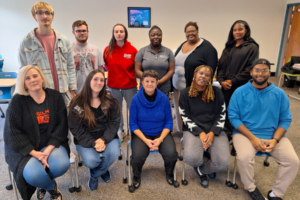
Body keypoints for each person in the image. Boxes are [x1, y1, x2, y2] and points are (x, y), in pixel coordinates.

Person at [228, 58, 299, 200]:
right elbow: (233, 117)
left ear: (270, 72)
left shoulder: (279, 94)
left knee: (292, 161)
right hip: (245, 134)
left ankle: (276, 193)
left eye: (265, 70)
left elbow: (285, 119)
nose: (261, 73)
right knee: (244, 157)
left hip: (272, 135)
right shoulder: (239, 92)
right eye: (257, 70)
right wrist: (253, 138)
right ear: (251, 72)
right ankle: (251, 188)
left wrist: (275, 140)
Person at [18, 2, 77, 163]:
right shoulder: (27, 42)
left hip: (63, 91)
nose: (45, 16)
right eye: (40, 13)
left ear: (52, 16)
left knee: (66, 123)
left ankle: (69, 150)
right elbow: (24, 70)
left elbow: (71, 66)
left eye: (48, 13)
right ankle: (44, 151)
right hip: (41, 93)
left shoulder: (63, 40)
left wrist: (72, 89)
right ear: (34, 16)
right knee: (45, 124)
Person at [4, 65, 70, 200]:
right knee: (34, 175)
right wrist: (36, 154)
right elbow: (12, 133)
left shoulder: (55, 96)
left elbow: (62, 125)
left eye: (35, 76)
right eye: (27, 78)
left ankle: (43, 183)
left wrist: (47, 151)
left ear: (41, 77)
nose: (33, 80)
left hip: (50, 143)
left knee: (61, 165)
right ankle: (51, 187)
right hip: (26, 148)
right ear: (23, 83)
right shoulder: (17, 101)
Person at [179, 65, 230, 188]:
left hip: (215, 129)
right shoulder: (185, 93)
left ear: (210, 78)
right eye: (201, 73)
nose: (203, 76)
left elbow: (222, 114)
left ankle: (203, 170)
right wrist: (200, 133)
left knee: (223, 163)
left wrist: (212, 133)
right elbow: (185, 117)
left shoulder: (217, 92)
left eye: (207, 75)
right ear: (195, 74)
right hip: (193, 130)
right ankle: (204, 159)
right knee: (191, 159)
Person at [69, 70, 120, 191]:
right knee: (92, 161)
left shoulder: (110, 100)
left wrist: (103, 139)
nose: (99, 82)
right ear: (88, 82)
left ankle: (95, 175)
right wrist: (93, 143)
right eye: (95, 79)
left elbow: (114, 123)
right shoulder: (77, 103)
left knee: (112, 155)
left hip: (107, 135)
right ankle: (102, 170)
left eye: (102, 80)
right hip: (86, 138)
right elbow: (75, 128)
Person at [129, 70, 178, 189]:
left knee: (172, 154)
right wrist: (146, 141)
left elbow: (168, 122)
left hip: (161, 133)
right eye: (147, 81)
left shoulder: (164, 99)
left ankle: (170, 174)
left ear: (157, 83)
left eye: (152, 81)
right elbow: (133, 124)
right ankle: (136, 175)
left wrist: (160, 139)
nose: (149, 84)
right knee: (137, 156)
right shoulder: (135, 100)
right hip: (141, 134)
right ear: (142, 82)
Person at [173, 21, 218, 133]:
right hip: (177, 88)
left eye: (193, 31)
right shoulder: (183, 44)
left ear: (197, 31)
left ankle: (192, 134)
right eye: (188, 32)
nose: (190, 34)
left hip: (193, 89)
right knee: (180, 111)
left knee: (191, 113)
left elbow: (210, 70)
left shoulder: (207, 48)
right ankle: (181, 132)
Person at [217, 20, 259, 133]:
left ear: (246, 30)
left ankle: (238, 138)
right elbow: (220, 66)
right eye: (234, 30)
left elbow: (250, 69)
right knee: (224, 110)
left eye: (240, 29)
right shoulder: (228, 47)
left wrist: (232, 81)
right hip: (225, 86)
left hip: (240, 86)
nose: (237, 32)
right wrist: (221, 81)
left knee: (239, 113)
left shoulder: (252, 47)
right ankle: (226, 134)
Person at [103, 23, 138, 141]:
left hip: (130, 86)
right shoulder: (108, 50)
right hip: (114, 86)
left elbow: (136, 67)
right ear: (113, 34)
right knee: (116, 110)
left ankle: (134, 130)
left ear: (125, 33)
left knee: (133, 109)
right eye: (116, 31)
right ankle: (120, 130)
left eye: (121, 31)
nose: (119, 34)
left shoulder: (132, 50)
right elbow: (106, 65)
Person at [135, 26, 175, 95]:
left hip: (163, 88)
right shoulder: (142, 51)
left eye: (158, 35)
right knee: (146, 105)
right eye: (153, 35)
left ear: (161, 36)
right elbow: (137, 70)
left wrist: (159, 82)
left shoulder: (168, 52)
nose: (156, 37)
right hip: (146, 88)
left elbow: (171, 70)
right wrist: (150, 82)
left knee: (162, 105)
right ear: (149, 37)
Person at [72, 20, 104, 94]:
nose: (82, 33)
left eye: (84, 30)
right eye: (78, 31)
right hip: (76, 92)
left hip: (94, 91)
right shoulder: (68, 50)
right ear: (73, 32)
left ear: (87, 32)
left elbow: (100, 69)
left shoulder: (96, 49)